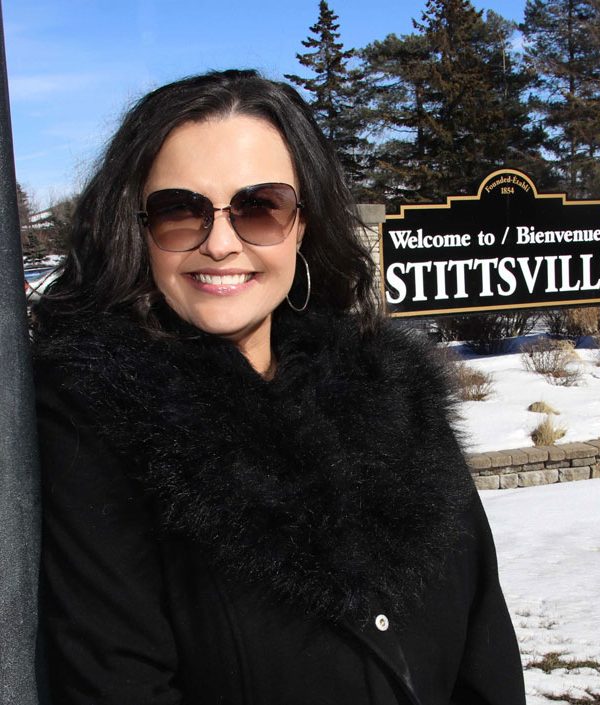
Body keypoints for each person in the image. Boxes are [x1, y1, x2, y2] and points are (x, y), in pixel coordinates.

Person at [32, 69, 525, 705]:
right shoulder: (96, 425)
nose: (219, 243)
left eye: (259, 208)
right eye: (179, 211)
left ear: (301, 224)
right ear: (137, 230)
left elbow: (485, 653)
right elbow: (117, 683)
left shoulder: (397, 399)